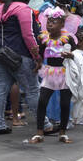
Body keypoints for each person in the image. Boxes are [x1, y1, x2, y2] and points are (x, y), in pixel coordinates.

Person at [0, 0, 41, 135]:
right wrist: (36, 55)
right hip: (19, 55)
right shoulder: (24, 9)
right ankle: (43, 123)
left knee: (0, 88)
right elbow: (28, 35)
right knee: (32, 90)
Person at [28, 9, 77, 144]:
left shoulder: (68, 39)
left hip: (64, 73)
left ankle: (62, 133)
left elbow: (76, 55)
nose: (50, 24)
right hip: (49, 73)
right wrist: (36, 57)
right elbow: (41, 56)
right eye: (48, 21)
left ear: (62, 24)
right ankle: (39, 133)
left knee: (65, 103)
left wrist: (71, 55)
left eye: (54, 22)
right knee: (42, 101)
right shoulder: (43, 39)